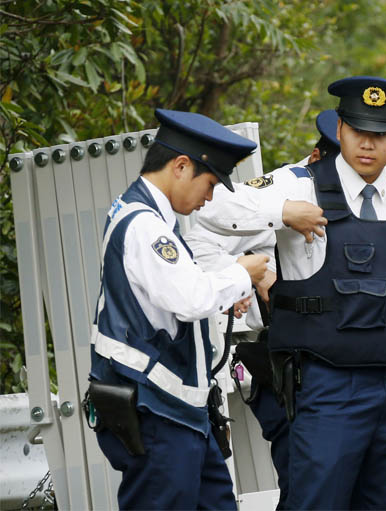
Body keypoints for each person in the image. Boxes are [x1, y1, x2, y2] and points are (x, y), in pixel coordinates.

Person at [190, 76, 386, 509]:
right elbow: (210, 207)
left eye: (380, 135)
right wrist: (282, 213)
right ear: (340, 129)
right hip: (329, 386)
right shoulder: (300, 184)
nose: (368, 144)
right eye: (358, 131)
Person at [184, 107, 386, 510]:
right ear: (322, 158)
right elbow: (203, 224)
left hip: (344, 367)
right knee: (306, 483)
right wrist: (247, 271)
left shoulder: (380, 197)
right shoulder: (286, 188)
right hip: (280, 362)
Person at [88, 109, 270, 510]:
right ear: (181, 166)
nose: (209, 198)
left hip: (179, 411)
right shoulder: (145, 226)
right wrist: (242, 273)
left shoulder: (149, 217)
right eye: (209, 184)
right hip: (156, 412)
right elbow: (190, 298)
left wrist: (225, 283)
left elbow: (172, 288)